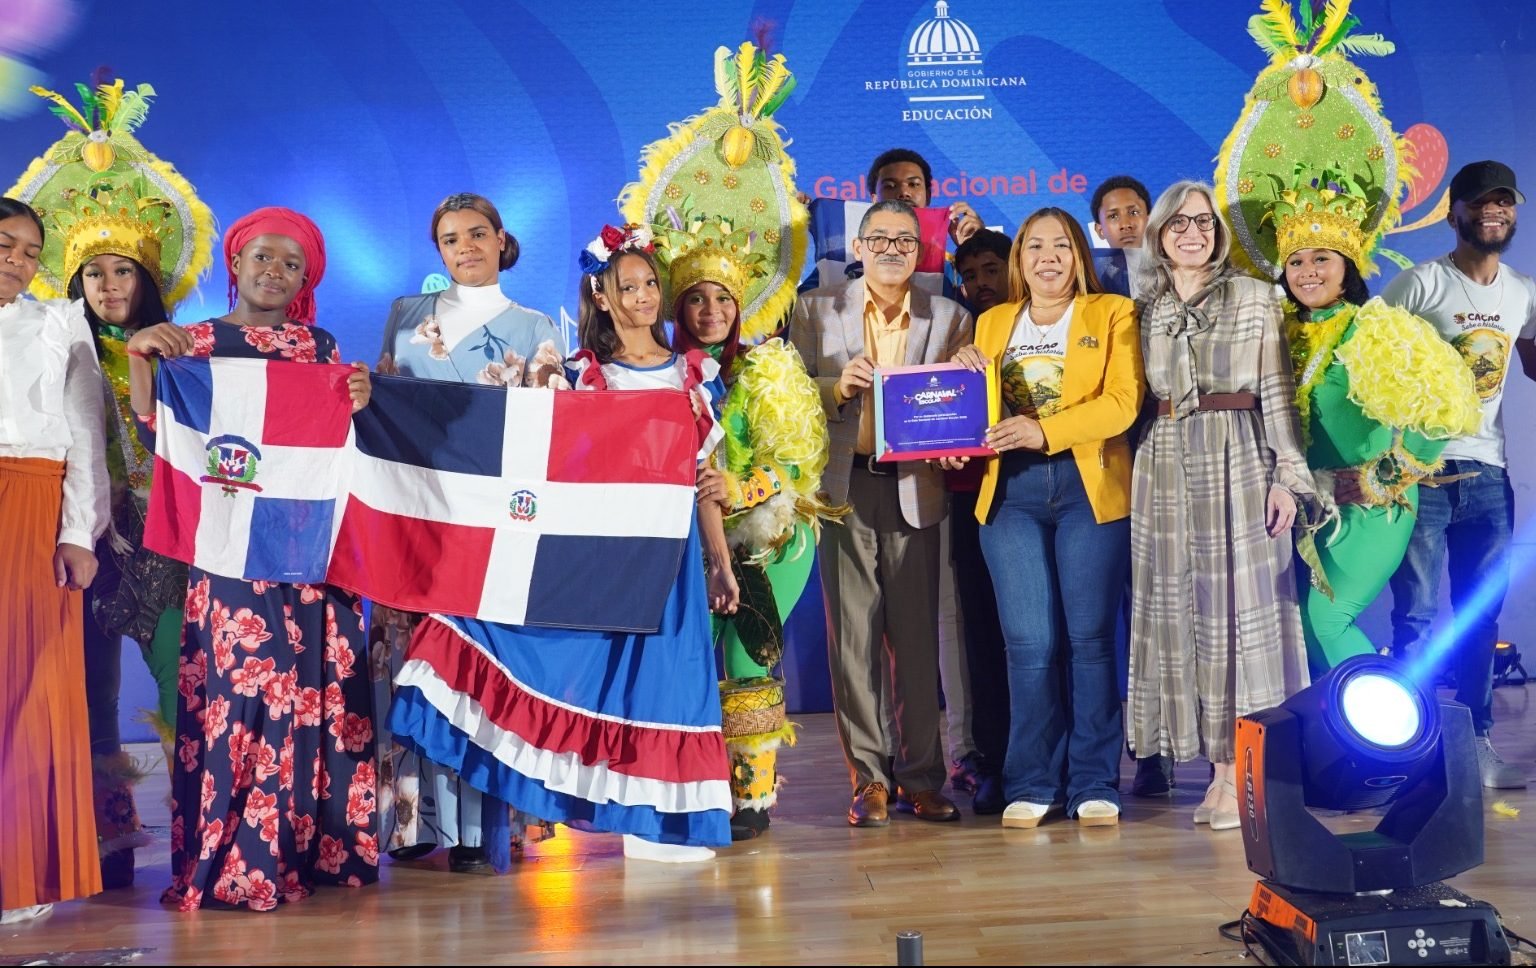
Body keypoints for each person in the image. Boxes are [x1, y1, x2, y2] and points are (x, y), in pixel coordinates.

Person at [386, 225, 738, 863]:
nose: (643, 297)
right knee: (602, 682)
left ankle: (670, 821)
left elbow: (701, 483)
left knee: (671, 682)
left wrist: (720, 560)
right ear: (601, 297)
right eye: (626, 286)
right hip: (603, 551)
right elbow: (545, 464)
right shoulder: (578, 376)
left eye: (650, 284)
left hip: (674, 552)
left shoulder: (692, 374)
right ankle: (616, 808)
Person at [126, 207, 379, 910]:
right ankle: (238, 859)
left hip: (309, 559)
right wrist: (141, 354)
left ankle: (313, 851)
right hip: (233, 558)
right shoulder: (194, 343)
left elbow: (343, 453)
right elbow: (157, 428)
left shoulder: (319, 349)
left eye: (291, 264)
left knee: (312, 697)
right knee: (246, 698)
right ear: (235, 262)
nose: (274, 272)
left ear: (304, 280)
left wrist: (361, 401)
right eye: (263, 257)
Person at [11, 73, 218, 889]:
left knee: (179, 677)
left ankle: (202, 829)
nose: (108, 288)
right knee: (87, 688)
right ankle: (101, 835)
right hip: (81, 537)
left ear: (148, 278)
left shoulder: (183, 352)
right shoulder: (51, 345)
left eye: (123, 273)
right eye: (92, 275)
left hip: (164, 538)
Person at [371, 192, 563, 872]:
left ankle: (483, 830)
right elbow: (383, 413)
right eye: (450, 239)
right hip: (414, 518)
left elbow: (548, 431)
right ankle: (413, 822)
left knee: (481, 667)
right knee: (412, 659)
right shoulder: (405, 317)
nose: (465, 247)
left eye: (477, 234)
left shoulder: (537, 326)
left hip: (491, 525)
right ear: (440, 251)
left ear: (501, 239)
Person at [1127, 181, 1317, 831]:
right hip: (1162, 466)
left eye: (1203, 222)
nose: (1192, 233)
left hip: (1239, 458)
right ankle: (1211, 768)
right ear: (1158, 233)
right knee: (1181, 616)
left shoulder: (1257, 297)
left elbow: (1277, 393)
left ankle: (1240, 774)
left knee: (1238, 621)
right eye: (1178, 223)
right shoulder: (1143, 307)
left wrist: (1286, 477)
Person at [945, 208, 1143, 828]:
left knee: (1088, 641)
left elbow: (1122, 404)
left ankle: (1093, 782)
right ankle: (1031, 780)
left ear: (1079, 255)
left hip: (1089, 487)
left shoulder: (1113, 313)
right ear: (1020, 259)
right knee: (1029, 643)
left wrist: (1043, 429)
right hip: (1010, 494)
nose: (1048, 256)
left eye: (1061, 245)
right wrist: (957, 429)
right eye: (1035, 246)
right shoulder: (992, 321)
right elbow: (975, 409)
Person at [789, 198, 973, 827]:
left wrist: (958, 439)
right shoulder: (815, 309)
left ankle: (922, 778)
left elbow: (960, 408)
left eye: (905, 239)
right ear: (859, 248)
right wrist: (837, 387)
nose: (893, 249)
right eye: (881, 239)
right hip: (845, 487)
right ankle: (869, 779)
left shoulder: (950, 316)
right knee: (854, 641)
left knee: (918, 643)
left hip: (917, 486)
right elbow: (787, 398)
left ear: (921, 250)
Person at [667, 226, 840, 840]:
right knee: (683, 657)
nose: (711, 312)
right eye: (696, 299)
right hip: (685, 542)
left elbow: (796, 464)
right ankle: (688, 785)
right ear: (675, 307)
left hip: (773, 535)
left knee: (750, 655)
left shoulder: (769, 366)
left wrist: (740, 491)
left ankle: (753, 798)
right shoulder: (663, 374)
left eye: (724, 299)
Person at [1271, 176, 1481, 671]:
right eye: (1296, 261)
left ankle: (1402, 740)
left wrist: (1381, 477)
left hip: (1369, 510)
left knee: (1326, 623)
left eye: (1322, 258)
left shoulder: (1374, 327)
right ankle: (1336, 746)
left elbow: (1439, 409)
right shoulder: (1276, 331)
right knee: (1299, 628)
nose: (1307, 272)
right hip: (1304, 507)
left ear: (1348, 267)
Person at [1383, 161, 1536, 790]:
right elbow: (1370, 367)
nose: (1494, 213)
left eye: (1505, 204)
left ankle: (1473, 742)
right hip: (1423, 469)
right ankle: (1412, 751)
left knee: (1479, 616)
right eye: (1481, 204)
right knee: (1416, 614)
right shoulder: (1419, 286)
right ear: (1455, 213)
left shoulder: (1522, 291)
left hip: (1489, 473)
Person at [0, 196, 108, 924]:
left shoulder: (58, 325)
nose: (18, 259)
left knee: (25, 681)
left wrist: (78, 531)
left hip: (31, 504)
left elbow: (85, 435)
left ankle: (18, 874)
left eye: (32, 251)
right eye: (6, 243)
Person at [866, 149, 984, 797]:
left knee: (946, 626)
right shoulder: (835, 283)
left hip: (938, 479)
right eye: (890, 188)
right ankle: (883, 761)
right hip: (863, 479)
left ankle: (961, 749)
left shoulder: (954, 276)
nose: (904, 193)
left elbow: (991, 320)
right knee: (875, 632)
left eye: (914, 186)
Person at [946, 228, 1013, 813]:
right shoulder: (956, 331)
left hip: (1044, 494)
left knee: (1049, 637)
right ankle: (992, 760)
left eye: (991, 270)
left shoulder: (1048, 323)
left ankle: (1055, 761)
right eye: (969, 276)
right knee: (983, 635)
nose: (980, 284)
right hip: (969, 501)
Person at [1089, 175, 1152, 300]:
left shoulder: (1175, 269)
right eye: (1113, 216)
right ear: (1100, 230)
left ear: (1150, 221)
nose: (1126, 225)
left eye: (1133, 212)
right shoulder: (1091, 280)